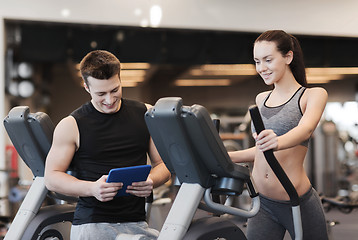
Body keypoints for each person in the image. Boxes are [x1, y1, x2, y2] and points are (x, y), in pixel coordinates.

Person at [44, 50, 171, 240]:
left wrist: (152, 180)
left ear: (120, 79)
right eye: (101, 94)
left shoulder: (146, 114)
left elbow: (163, 164)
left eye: (115, 90)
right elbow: (52, 177)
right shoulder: (71, 125)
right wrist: (92, 189)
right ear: (87, 87)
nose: (110, 100)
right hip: (92, 225)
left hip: (137, 223)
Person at [229, 30, 329, 240]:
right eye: (257, 61)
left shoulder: (312, 95)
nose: (261, 68)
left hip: (296, 200)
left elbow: (306, 129)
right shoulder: (261, 99)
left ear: (288, 57)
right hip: (262, 203)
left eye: (268, 60)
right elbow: (260, 150)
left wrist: (278, 141)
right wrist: (225, 156)